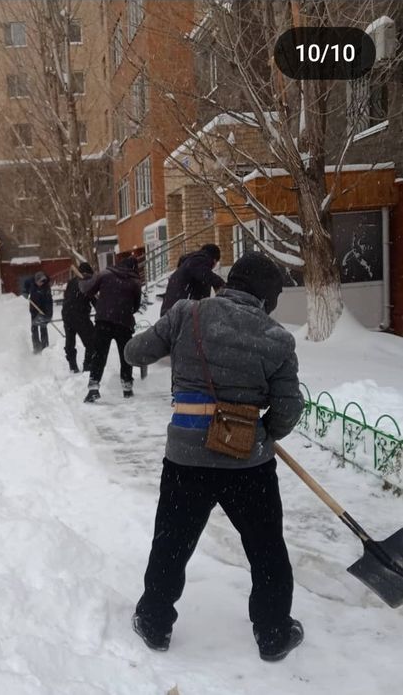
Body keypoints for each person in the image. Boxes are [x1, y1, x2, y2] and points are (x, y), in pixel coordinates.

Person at [124, 252, 305, 662]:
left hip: (186, 461)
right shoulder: (277, 338)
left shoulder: (186, 314)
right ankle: (274, 633)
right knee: (266, 548)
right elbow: (289, 407)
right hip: (248, 465)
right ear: (267, 297)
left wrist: (176, 342)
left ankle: (154, 622)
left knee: (172, 542)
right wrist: (261, 435)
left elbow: (135, 353)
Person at [78, 255, 142, 402]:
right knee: (125, 355)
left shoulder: (105, 274)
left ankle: (93, 388)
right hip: (124, 323)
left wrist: (84, 280)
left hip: (104, 321)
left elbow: (88, 289)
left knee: (99, 354)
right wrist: (123, 309)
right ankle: (127, 387)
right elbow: (136, 305)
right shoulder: (135, 281)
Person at [160, 243, 225, 317]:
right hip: (178, 313)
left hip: (171, 313)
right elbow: (203, 273)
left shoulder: (188, 265)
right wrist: (219, 283)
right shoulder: (200, 260)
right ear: (214, 260)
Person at [62, 262, 97, 373]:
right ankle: (88, 365)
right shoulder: (88, 282)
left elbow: (66, 296)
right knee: (92, 341)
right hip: (80, 316)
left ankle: (73, 367)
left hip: (67, 314)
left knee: (70, 341)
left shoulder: (72, 282)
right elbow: (94, 300)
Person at [25, 271, 53, 354]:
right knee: (34, 329)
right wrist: (25, 292)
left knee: (43, 328)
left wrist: (49, 314)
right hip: (34, 310)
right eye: (39, 282)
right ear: (35, 281)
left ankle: (45, 347)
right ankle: (37, 347)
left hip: (43, 311)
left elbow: (49, 302)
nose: (40, 283)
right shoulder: (31, 283)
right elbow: (25, 286)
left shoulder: (46, 288)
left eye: (42, 282)